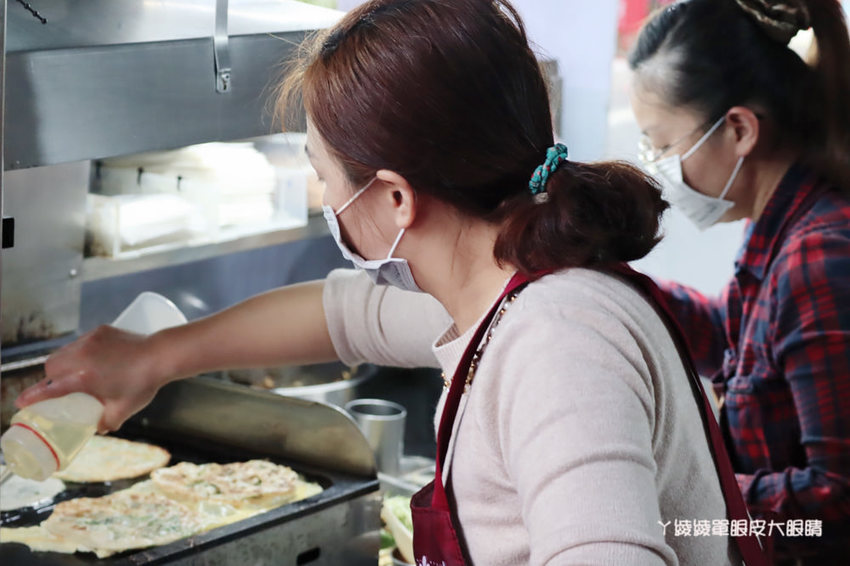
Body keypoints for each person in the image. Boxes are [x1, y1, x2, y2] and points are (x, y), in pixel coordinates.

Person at [17, 1, 751, 564]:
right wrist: (154, 356)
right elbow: (346, 315)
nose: (324, 198)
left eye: (324, 175)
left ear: (397, 198)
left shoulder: (558, 345)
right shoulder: (510, 287)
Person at [627, 0, 850, 564]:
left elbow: (837, 500)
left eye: (664, 145)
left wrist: (695, 491)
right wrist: (617, 285)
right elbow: (735, 338)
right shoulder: (775, 226)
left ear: (739, 129)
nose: (659, 167)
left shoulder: (818, 257)